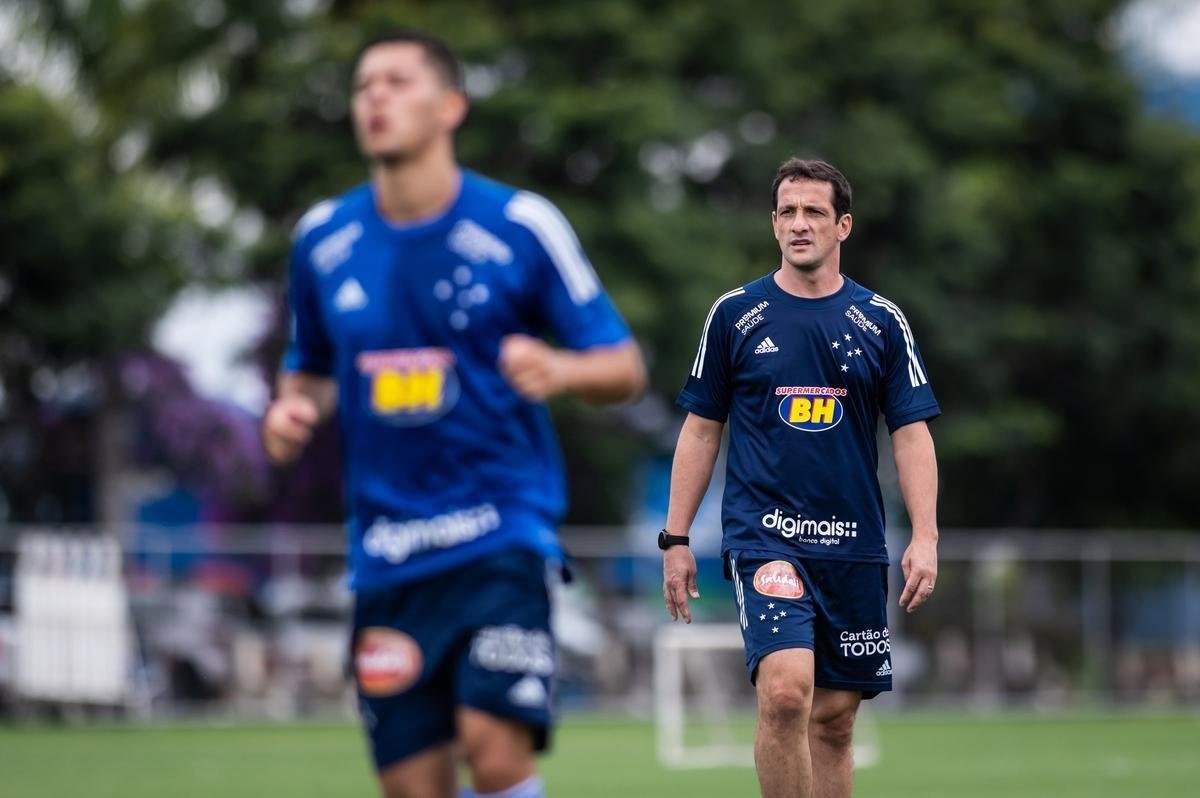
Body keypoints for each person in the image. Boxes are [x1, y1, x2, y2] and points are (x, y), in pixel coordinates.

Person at [261, 29, 646, 798]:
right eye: (364, 84)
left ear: (450, 107)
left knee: (494, 752)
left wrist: (562, 368)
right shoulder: (322, 239)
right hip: (386, 553)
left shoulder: (521, 224)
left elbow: (625, 368)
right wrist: (290, 412)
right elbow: (308, 374)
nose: (375, 96)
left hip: (499, 532)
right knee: (414, 787)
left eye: (398, 81)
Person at [660, 158, 940, 798]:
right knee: (786, 694)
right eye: (787, 211)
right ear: (773, 224)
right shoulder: (735, 315)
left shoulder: (881, 321)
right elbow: (702, 430)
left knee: (836, 721)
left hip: (853, 544)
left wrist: (924, 536)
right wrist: (675, 539)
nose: (799, 223)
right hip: (766, 537)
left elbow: (912, 432)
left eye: (814, 211)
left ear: (843, 225)